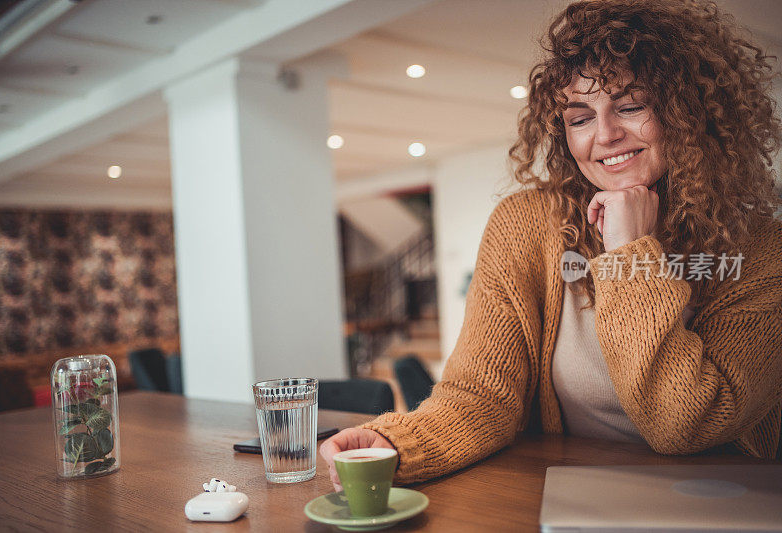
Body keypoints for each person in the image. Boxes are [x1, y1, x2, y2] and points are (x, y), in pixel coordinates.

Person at [321, 0, 782, 490]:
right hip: (569, 497)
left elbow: (685, 423)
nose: (605, 135)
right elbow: (480, 395)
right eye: (580, 118)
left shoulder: (762, 251)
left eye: (630, 107)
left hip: (717, 504)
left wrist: (629, 253)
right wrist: (398, 444)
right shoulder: (527, 224)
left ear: (690, 114)